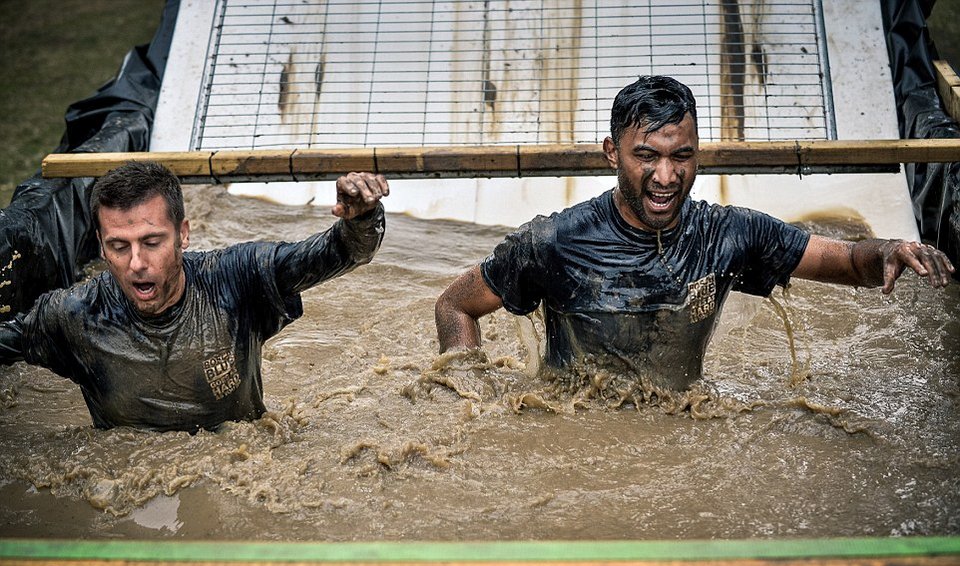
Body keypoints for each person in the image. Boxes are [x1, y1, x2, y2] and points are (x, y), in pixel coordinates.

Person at [435, 75, 955, 390]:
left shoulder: (729, 235)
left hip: (683, 419)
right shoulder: (554, 242)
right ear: (612, 153)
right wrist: (467, 389)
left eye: (681, 156)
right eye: (647, 157)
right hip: (576, 436)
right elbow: (455, 305)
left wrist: (888, 249)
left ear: (697, 155)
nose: (666, 177)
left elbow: (844, 262)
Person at [0, 161, 389, 432]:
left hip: (241, 470)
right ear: (100, 247)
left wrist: (361, 220)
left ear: (183, 234)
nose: (136, 263)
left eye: (152, 242)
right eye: (119, 246)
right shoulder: (73, 315)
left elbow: (340, 254)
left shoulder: (237, 279)